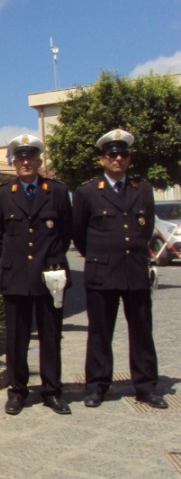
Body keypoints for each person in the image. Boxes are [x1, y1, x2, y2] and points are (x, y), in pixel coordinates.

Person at [72, 129, 168, 409]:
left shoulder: (143, 190)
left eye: (123, 154)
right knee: (100, 332)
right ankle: (97, 386)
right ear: (102, 160)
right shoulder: (87, 192)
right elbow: (79, 233)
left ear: (129, 159)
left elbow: (146, 227)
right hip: (101, 271)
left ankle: (146, 386)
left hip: (134, 271)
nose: (118, 159)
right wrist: (99, 257)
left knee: (141, 331)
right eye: (112, 155)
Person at [0, 134, 73, 416]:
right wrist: (15, 263)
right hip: (16, 277)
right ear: (14, 162)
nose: (26, 163)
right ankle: (17, 391)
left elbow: (65, 233)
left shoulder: (57, 192)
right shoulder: (2, 195)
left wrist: (50, 261)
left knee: (51, 336)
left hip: (49, 275)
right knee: (16, 338)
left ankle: (52, 391)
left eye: (31, 158)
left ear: (39, 161)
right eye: (20, 158)